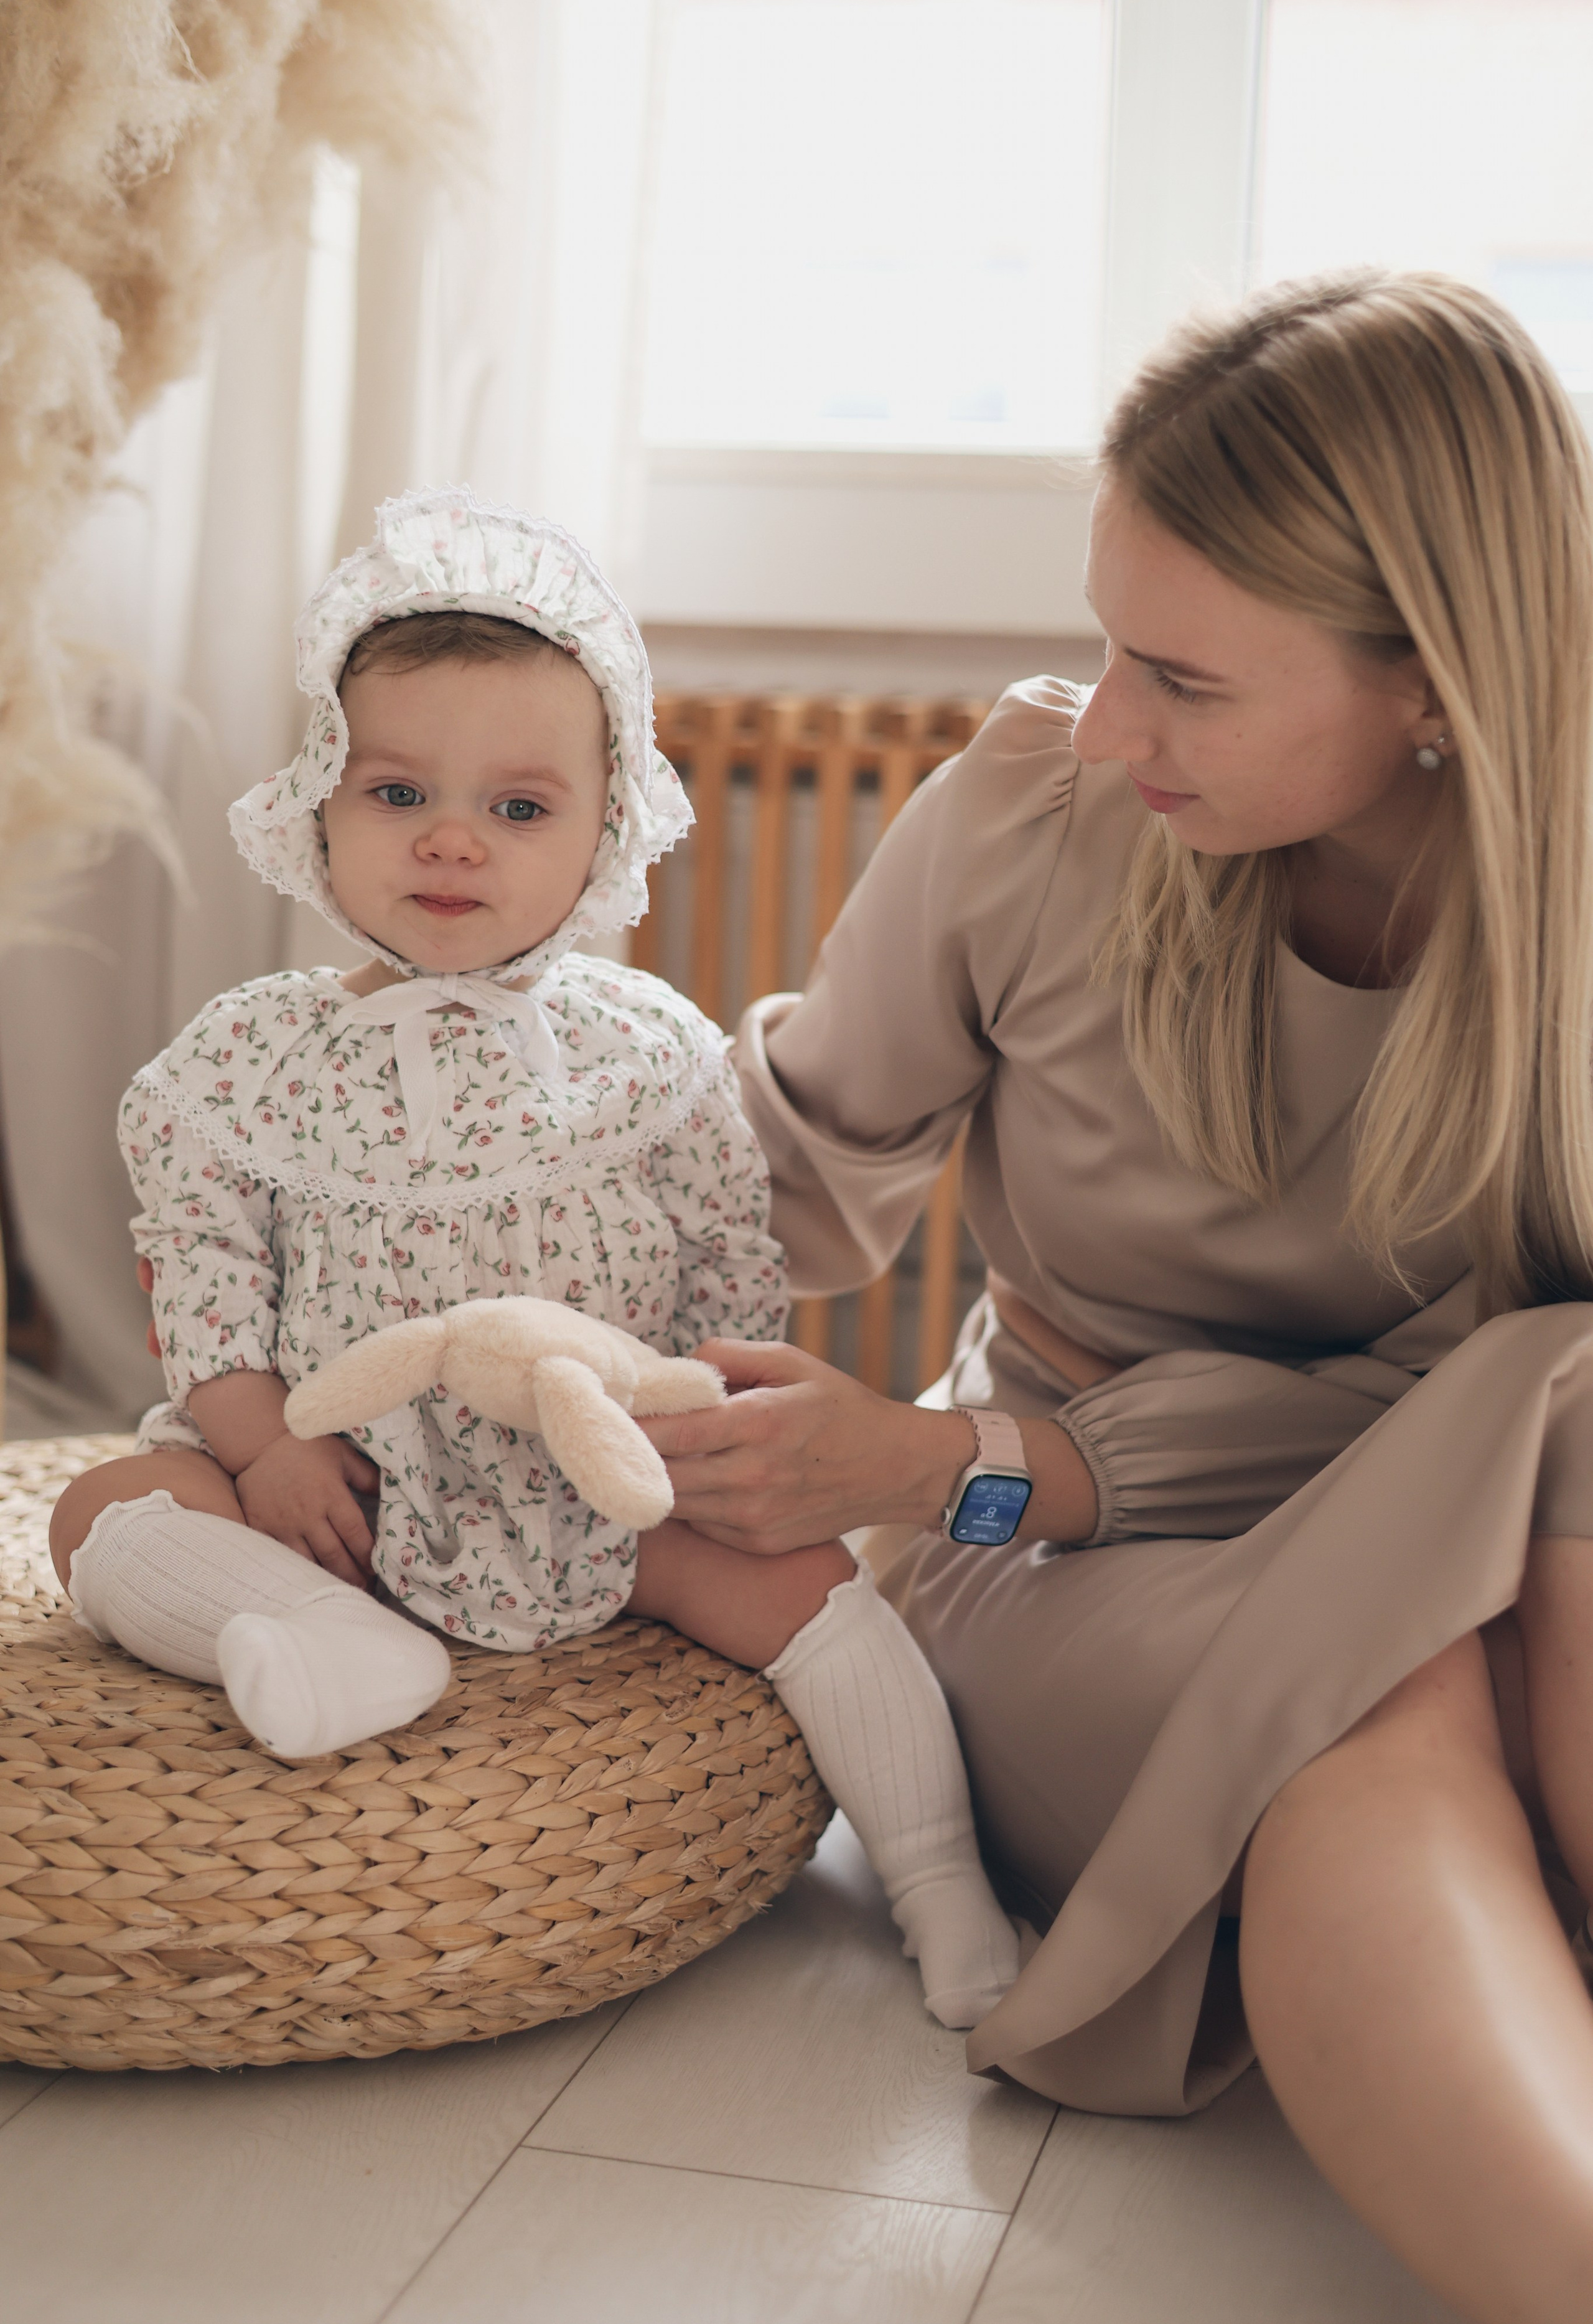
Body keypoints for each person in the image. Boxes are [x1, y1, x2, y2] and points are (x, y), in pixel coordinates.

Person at [630, 274, 1593, 2324]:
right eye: (1107, 641)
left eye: (1182, 675)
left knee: (1576, 1406)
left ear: (1432, 679)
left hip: (1454, 1546)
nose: (1113, 721)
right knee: (1387, 1707)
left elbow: (1495, 1424)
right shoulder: (1035, 818)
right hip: (1044, 1562)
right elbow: (775, 1183)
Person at [47, 487, 1019, 2030]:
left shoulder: (647, 1052)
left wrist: (702, 1424)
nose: (450, 838)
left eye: (517, 808)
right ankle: (313, 1635)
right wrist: (260, 1453)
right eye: (395, 793)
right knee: (103, 1506)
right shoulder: (239, 1062)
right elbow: (209, 1290)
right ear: (317, 803)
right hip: (335, 1483)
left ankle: (935, 1874)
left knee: (821, 1597)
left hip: (595, 1482)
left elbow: (720, 1267)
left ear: (599, 833)